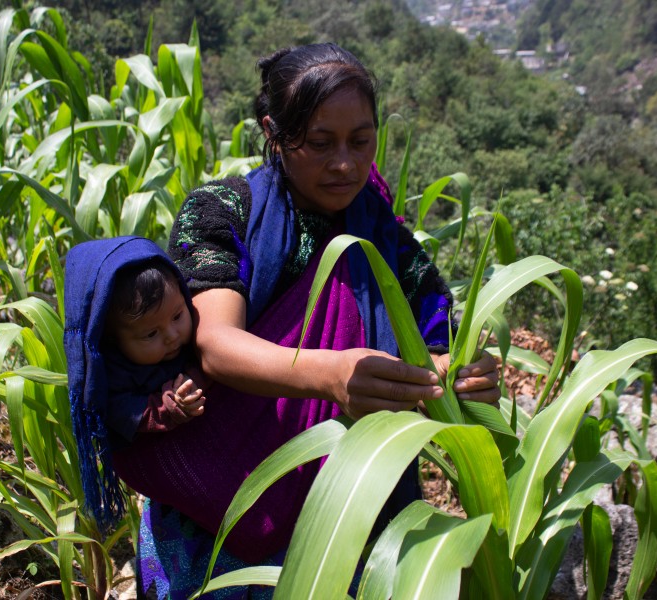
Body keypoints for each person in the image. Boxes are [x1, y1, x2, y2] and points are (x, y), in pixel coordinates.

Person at [114, 42, 501, 599]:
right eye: (320, 143)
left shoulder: (385, 239)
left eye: (361, 141)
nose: (344, 163)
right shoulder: (225, 212)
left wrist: (458, 377)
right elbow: (215, 343)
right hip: (228, 489)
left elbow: (433, 334)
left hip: (348, 501)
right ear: (274, 133)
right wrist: (330, 375)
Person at [63, 236, 205, 528]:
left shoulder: (197, 338)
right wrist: (168, 408)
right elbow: (126, 414)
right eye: (150, 334)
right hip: (165, 471)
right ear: (113, 339)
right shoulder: (112, 376)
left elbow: (209, 366)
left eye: (178, 315)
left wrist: (195, 379)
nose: (171, 335)